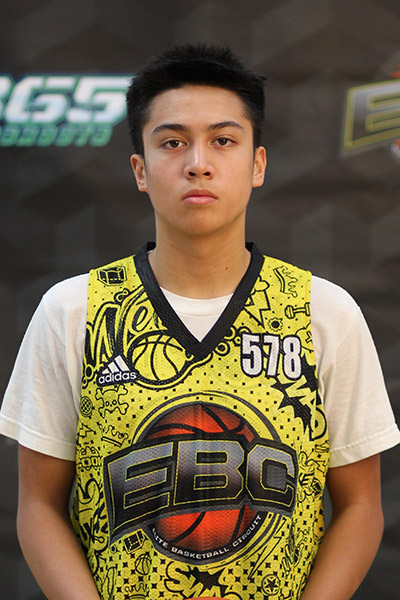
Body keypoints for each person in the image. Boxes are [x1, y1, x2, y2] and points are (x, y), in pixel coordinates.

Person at [0, 44, 399, 600]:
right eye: (172, 142)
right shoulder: (74, 311)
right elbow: (39, 506)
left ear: (258, 164)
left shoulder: (323, 311)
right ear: (140, 170)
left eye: (223, 140)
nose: (198, 163)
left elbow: (361, 506)